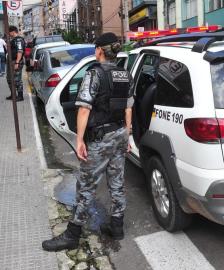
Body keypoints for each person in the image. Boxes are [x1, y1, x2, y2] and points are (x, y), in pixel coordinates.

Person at [42, 32, 134, 251]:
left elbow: (84, 109)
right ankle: (117, 226)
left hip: (101, 138)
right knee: (117, 182)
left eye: (96, 49)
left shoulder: (94, 74)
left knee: (85, 186)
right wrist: (127, 135)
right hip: (120, 133)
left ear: (100, 51)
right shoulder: (125, 74)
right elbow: (128, 106)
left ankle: (72, 235)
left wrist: (79, 140)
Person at [6, 26, 25, 101]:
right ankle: (13, 94)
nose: (9, 34)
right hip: (11, 61)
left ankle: (20, 96)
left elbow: (20, 51)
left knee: (17, 79)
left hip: (16, 61)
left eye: (9, 32)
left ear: (13, 31)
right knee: (9, 79)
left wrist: (17, 62)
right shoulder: (13, 40)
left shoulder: (19, 40)